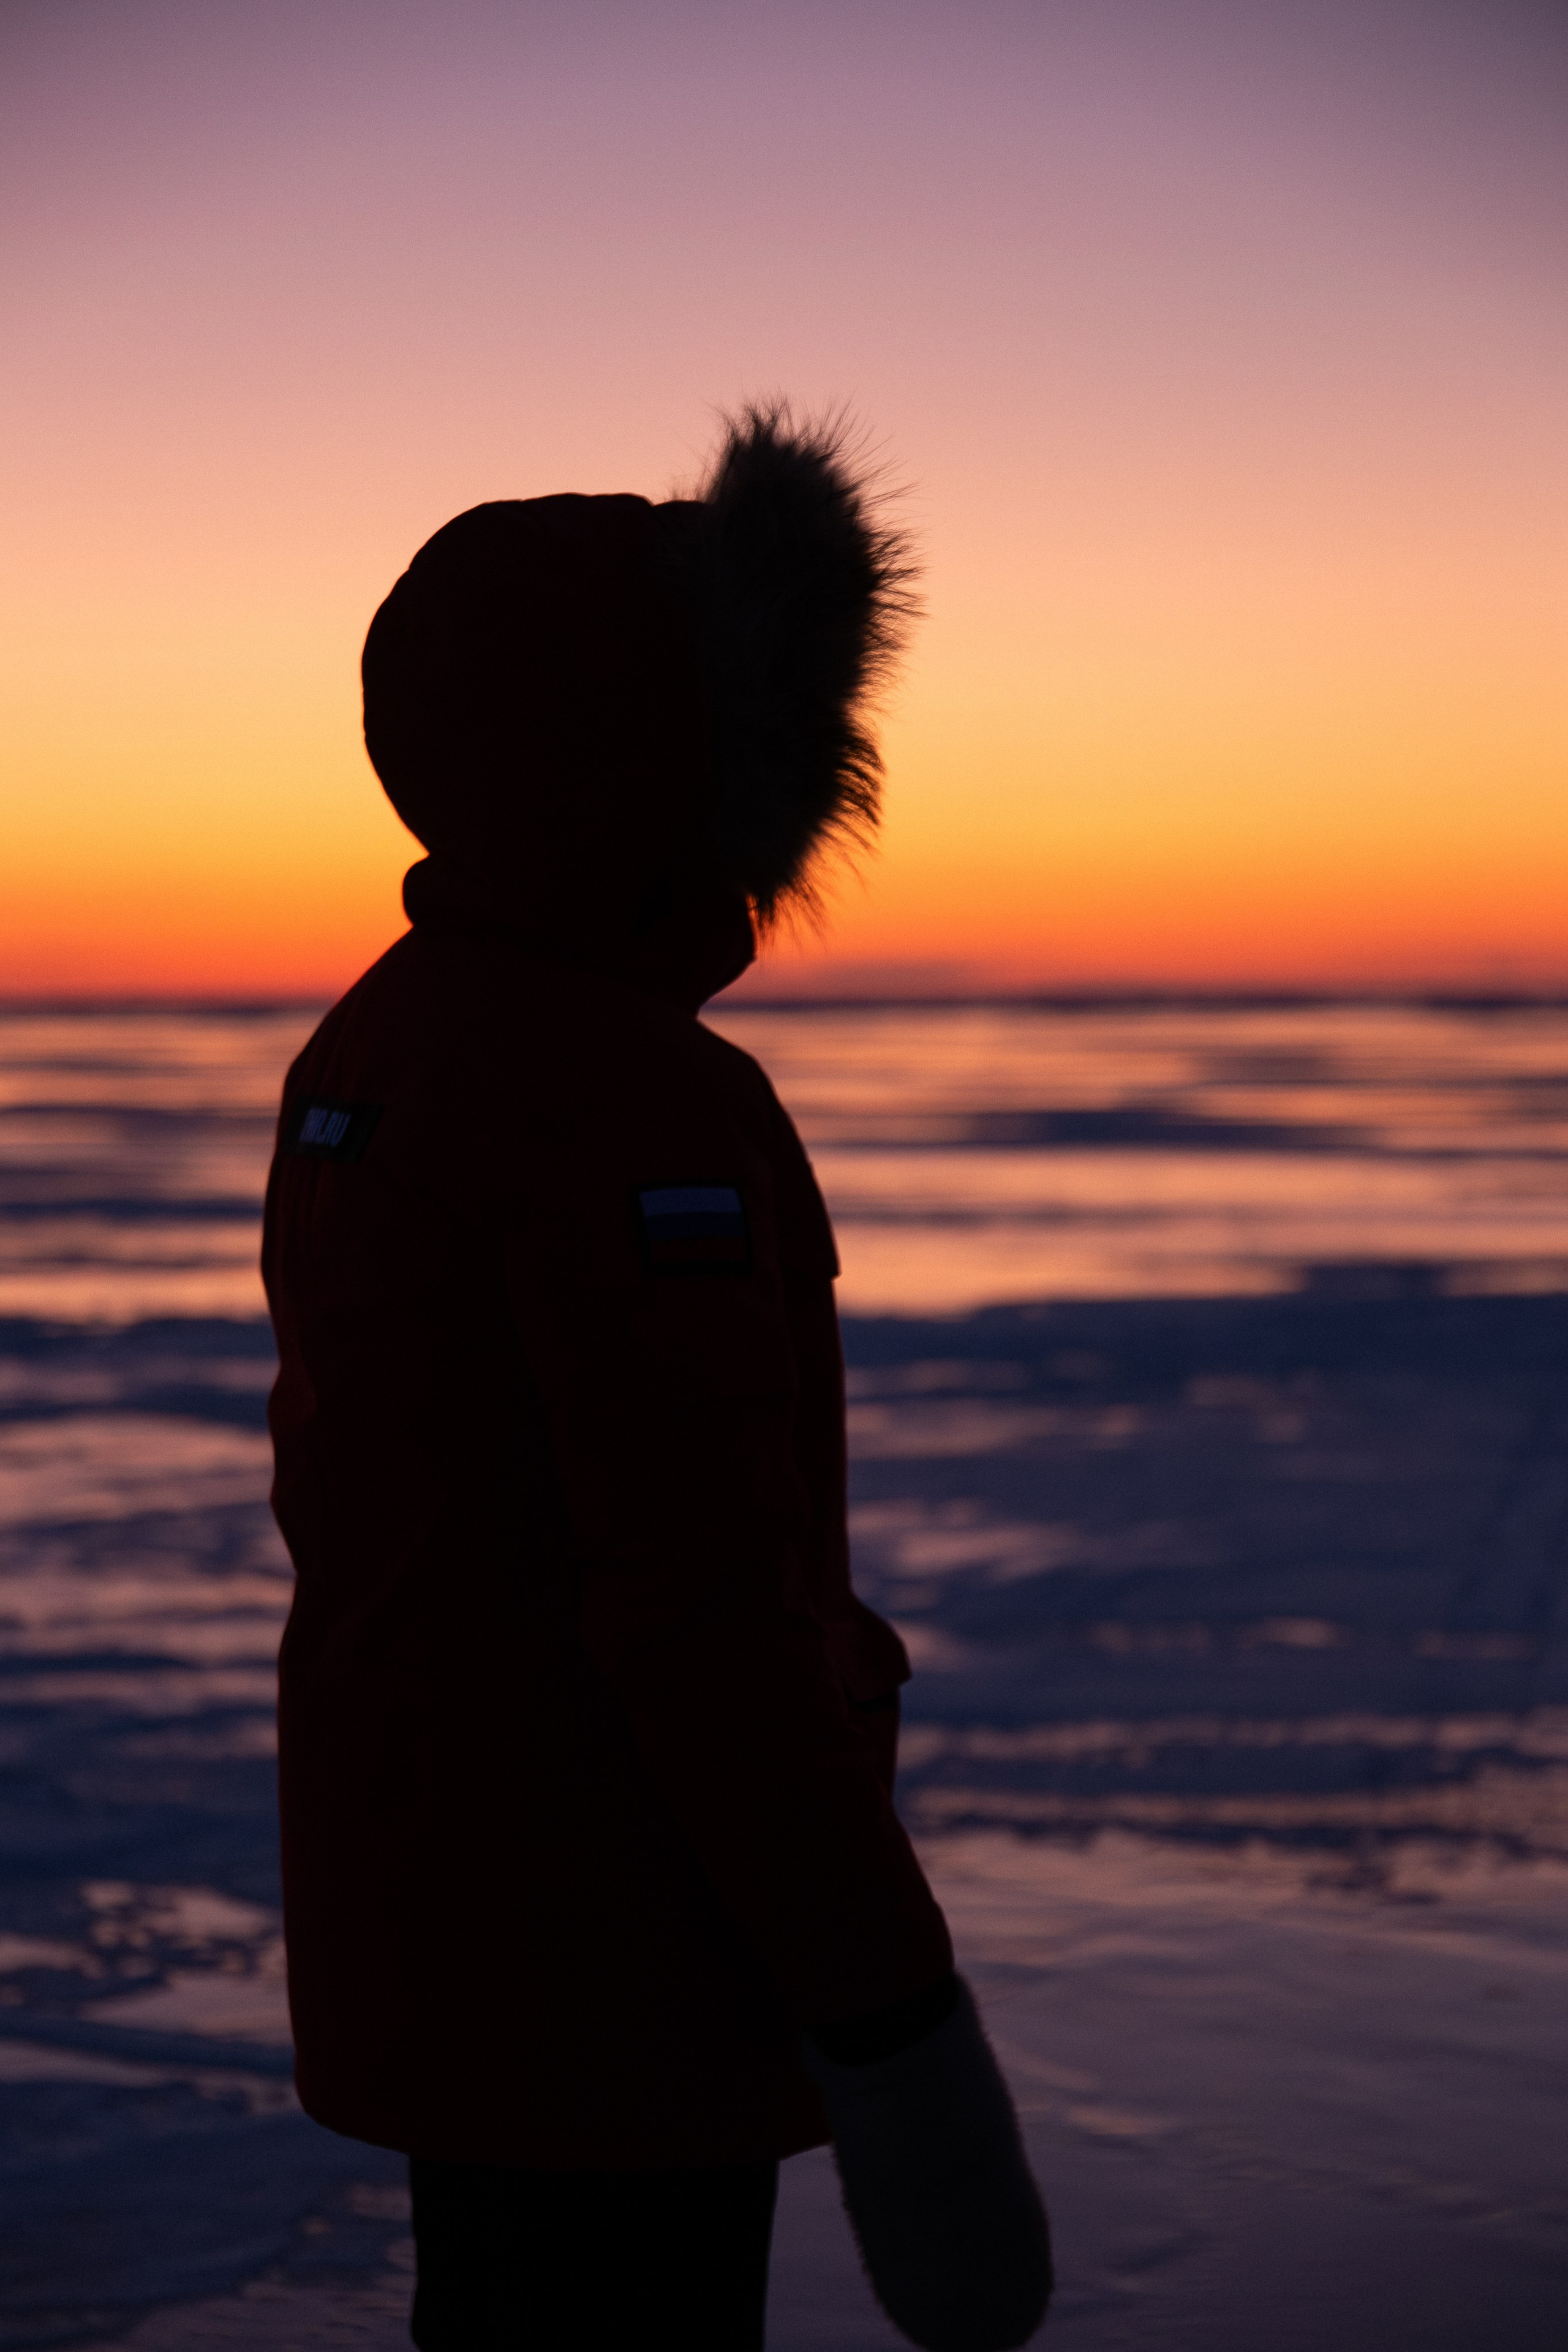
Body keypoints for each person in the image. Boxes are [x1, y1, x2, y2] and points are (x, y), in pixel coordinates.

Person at [262, 405, 1051, 2350]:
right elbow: (700, 1615)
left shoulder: (383, 1044)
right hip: (611, 1952)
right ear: (669, 755)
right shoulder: (628, 1104)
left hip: (448, 1908)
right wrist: (891, 2018)